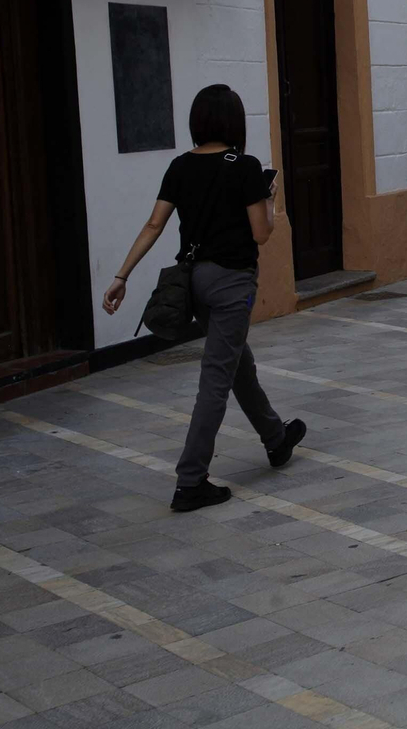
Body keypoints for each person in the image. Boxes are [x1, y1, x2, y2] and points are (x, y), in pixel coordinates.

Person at [101, 85, 306, 513]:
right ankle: (190, 481)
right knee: (216, 376)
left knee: (237, 365)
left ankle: (276, 438)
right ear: (234, 122)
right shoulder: (246, 167)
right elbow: (261, 234)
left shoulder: (179, 166)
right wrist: (270, 200)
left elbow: (155, 224)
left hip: (194, 282)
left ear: (198, 122)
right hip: (231, 284)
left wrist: (122, 275)